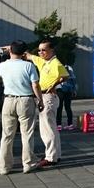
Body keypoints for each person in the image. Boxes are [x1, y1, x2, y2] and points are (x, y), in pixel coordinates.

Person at [0, 41, 43, 174]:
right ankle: (28, 163)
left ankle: (4, 166)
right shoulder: (29, 65)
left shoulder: (2, 65)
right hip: (25, 100)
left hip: (8, 100)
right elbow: (35, 85)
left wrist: (7, 49)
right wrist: (40, 100)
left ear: (10, 50)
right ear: (24, 53)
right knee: (27, 134)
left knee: (7, 135)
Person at [26, 40, 68, 168]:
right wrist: (10, 48)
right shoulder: (42, 61)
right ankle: (55, 155)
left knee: (47, 129)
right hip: (44, 95)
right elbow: (28, 55)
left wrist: (54, 84)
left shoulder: (55, 63)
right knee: (50, 128)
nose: (40, 52)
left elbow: (65, 76)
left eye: (44, 50)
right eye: (39, 50)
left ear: (51, 50)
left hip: (48, 96)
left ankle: (51, 157)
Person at [56, 65, 77, 131]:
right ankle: (70, 124)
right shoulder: (69, 67)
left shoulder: (57, 66)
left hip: (60, 89)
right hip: (68, 90)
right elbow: (73, 79)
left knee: (59, 108)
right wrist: (74, 90)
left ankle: (59, 125)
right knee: (68, 107)